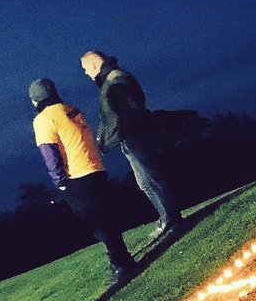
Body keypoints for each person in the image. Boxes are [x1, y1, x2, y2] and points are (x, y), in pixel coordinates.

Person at [30, 78, 139, 283]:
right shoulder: (71, 109)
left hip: (76, 177)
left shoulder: (43, 119)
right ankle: (122, 259)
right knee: (106, 217)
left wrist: (59, 181)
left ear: (36, 100)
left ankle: (121, 263)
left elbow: (49, 152)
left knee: (97, 223)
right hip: (96, 168)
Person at [80, 50, 183, 238]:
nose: (85, 73)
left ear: (94, 65)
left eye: (85, 69)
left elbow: (127, 111)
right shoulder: (108, 81)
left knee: (153, 178)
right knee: (144, 182)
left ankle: (173, 219)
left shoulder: (116, 79)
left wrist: (119, 133)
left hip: (136, 135)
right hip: (128, 137)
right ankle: (166, 218)